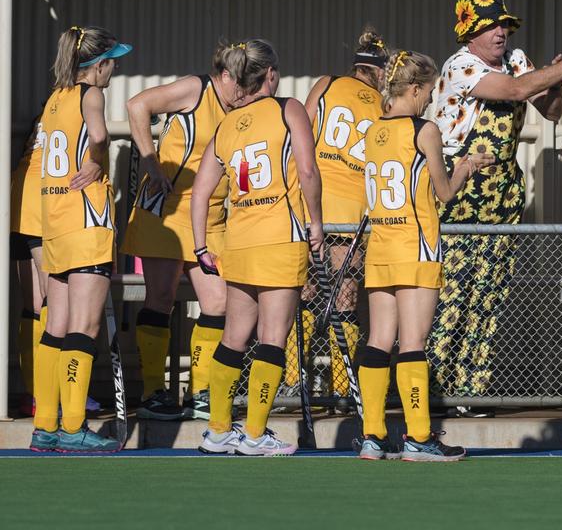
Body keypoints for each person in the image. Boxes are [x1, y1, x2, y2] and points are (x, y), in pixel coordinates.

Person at [429, 0, 562, 399]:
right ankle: (435, 389)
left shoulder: (516, 60)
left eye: (503, 25)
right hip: (461, 188)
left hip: (503, 193)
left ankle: (471, 390)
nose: (500, 33)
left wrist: (559, 78)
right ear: (469, 34)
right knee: (453, 291)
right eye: (490, 27)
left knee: (489, 292)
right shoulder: (461, 65)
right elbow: (513, 92)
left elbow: (550, 110)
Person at [356, 51, 493, 461]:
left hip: (380, 244)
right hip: (415, 244)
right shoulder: (425, 129)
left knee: (379, 341)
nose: (431, 101)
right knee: (413, 342)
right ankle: (418, 437)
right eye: (429, 91)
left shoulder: (373, 130)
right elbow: (444, 192)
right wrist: (466, 166)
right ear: (414, 89)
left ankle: (373, 436)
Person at [190, 39, 323, 457]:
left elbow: (200, 193)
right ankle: (254, 433)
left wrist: (200, 246)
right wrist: (316, 223)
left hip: (239, 240)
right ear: (270, 75)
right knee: (271, 338)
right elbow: (307, 169)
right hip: (280, 238)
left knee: (233, 337)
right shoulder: (288, 109)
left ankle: (216, 430)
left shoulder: (225, 125)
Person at [121, 48, 240, 421]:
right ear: (223, 75)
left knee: (218, 302)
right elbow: (137, 105)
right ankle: (154, 392)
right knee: (160, 296)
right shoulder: (195, 88)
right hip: (166, 211)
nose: (244, 90)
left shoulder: (242, 109)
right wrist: (151, 161)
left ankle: (201, 391)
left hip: (207, 217)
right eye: (240, 81)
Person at [30, 25, 133, 453]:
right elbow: (100, 134)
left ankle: (44, 426)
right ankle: (73, 427)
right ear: (99, 64)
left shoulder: (55, 98)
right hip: (86, 219)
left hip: (54, 220)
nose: (113, 71)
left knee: (55, 326)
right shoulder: (91, 94)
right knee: (84, 327)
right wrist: (95, 162)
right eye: (112, 62)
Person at [291, 29, 388, 399]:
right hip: (352, 207)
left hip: (311, 200)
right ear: (379, 72)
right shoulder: (382, 103)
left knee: (304, 290)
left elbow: (302, 130)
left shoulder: (327, 84)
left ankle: (290, 380)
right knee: (345, 296)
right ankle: (343, 388)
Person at [11, 117, 46, 416]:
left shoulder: (46, 114)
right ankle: (48, 393)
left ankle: (34, 393)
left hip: (19, 200)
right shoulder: (78, 108)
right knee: (51, 302)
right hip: (43, 203)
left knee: (33, 305)